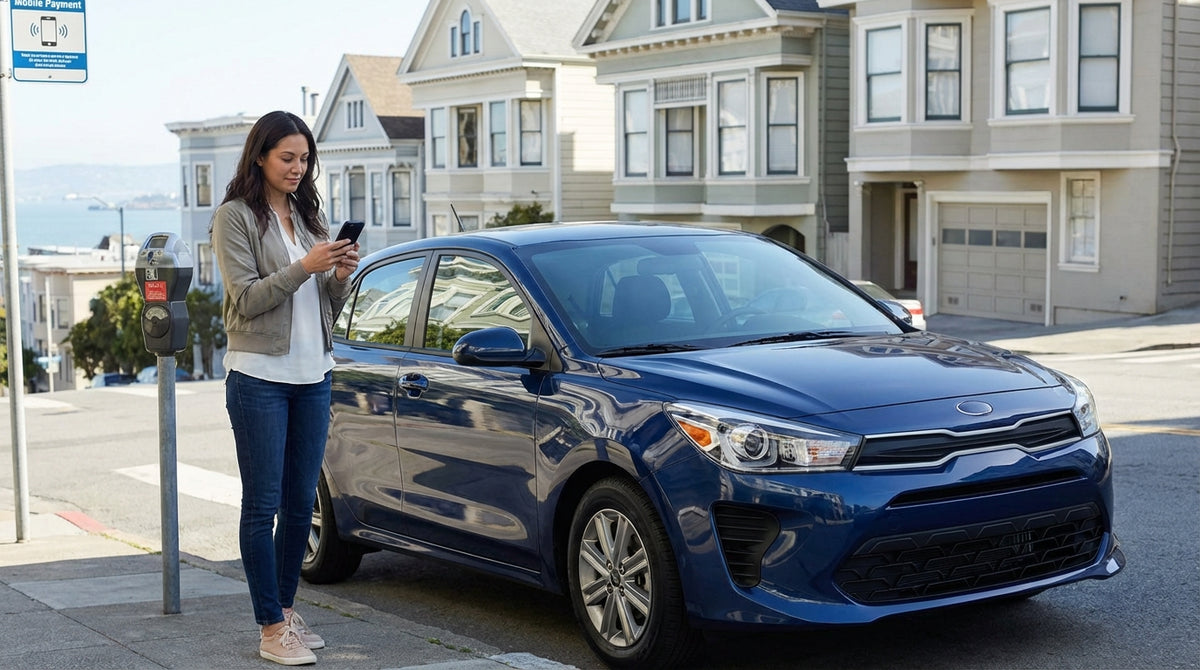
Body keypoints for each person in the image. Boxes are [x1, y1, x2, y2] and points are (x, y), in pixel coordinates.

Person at [210, 111, 359, 666]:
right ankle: (270, 627)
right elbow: (246, 299)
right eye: (287, 158)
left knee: (302, 507)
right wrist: (305, 266)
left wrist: (337, 275)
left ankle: (286, 611)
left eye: (304, 159)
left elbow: (322, 305)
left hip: (312, 375)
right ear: (260, 158)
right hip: (259, 379)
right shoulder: (234, 217)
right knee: (262, 505)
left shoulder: (306, 214)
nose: (298, 168)